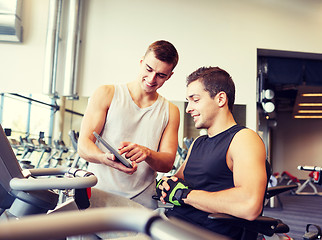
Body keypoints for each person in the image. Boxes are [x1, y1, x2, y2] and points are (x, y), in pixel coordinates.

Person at [156, 66, 267, 239]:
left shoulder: (243, 139)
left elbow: (249, 204)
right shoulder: (198, 143)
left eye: (195, 100)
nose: (188, 108)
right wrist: (166, 184)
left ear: (220, 99)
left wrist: (184, 195)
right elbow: (177, 180)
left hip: (201, 234)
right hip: (171, 224)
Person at [78, 40, 180, 209]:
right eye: (148, 69)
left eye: (161, 75)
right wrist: (105, 159)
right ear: (141, 62)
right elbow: (83, 145)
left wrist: (147, 153)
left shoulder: (171, 111)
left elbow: (168, 162)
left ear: (169, 76)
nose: (152, 79)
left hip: (141, 203)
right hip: (98, 197)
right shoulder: (107, 93)